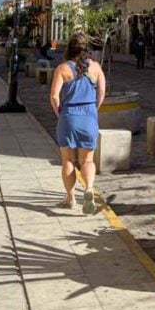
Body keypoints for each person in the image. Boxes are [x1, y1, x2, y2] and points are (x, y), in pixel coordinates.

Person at [50, 32, 106, 214]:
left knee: (68, 160)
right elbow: (102, 93)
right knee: (87, 160)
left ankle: (70, 198)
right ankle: (88, 188)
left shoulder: (62, 69)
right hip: (89, 114)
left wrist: (60, 113)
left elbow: (54, 96)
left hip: (68, 115)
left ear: (69, 49)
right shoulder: (96, 67)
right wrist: (93, 110)